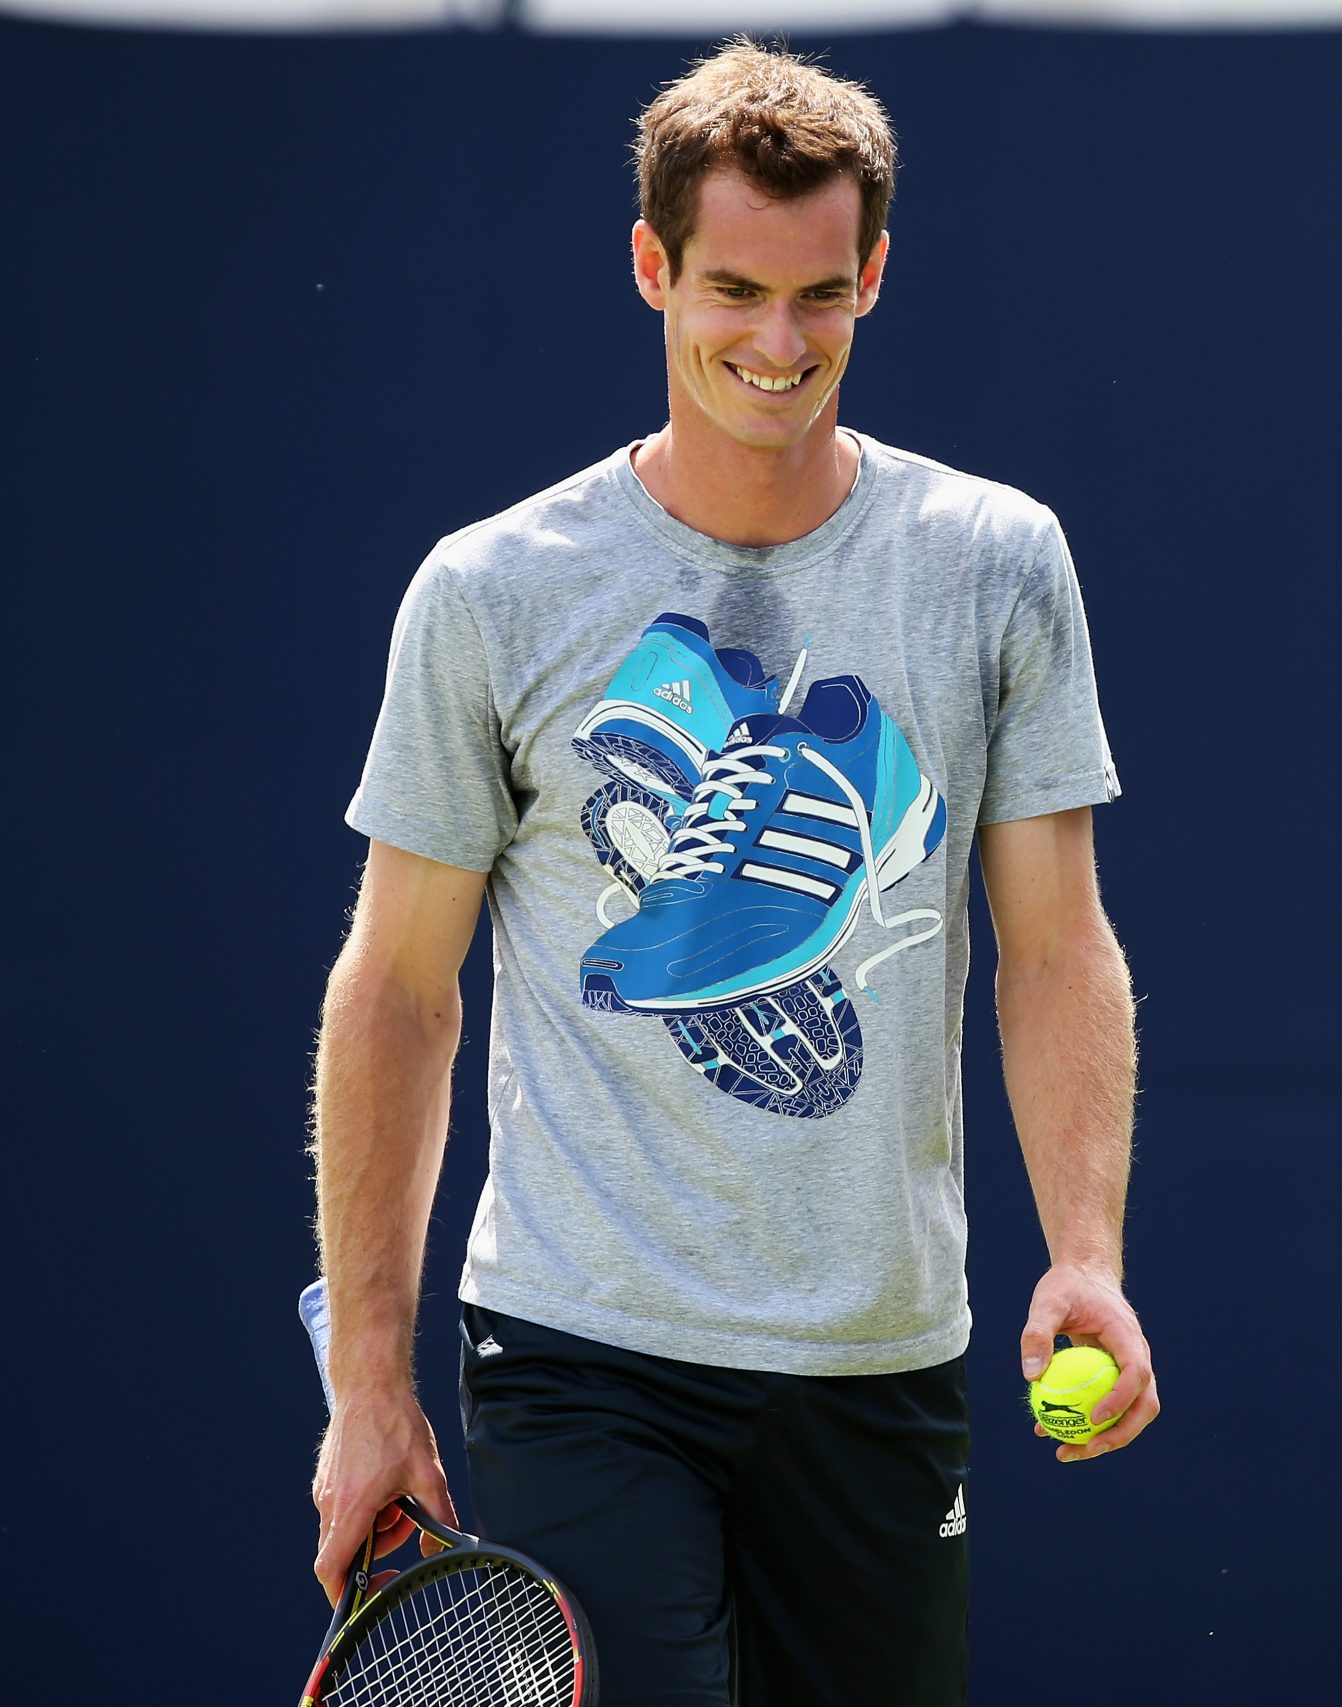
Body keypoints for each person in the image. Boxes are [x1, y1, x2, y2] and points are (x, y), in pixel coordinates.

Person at [306, 38, 1157, 1704]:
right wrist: (365, 1382)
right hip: (579, 1345)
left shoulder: (996, 564)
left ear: (875, 277)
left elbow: (1056, 945)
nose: (779, 344)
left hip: (880, 1355)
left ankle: (824, 784)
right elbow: (400, 990)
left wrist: (1087, 1256)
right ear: (653, 268)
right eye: (735, 293)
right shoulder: (490, 593)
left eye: (821, 298)